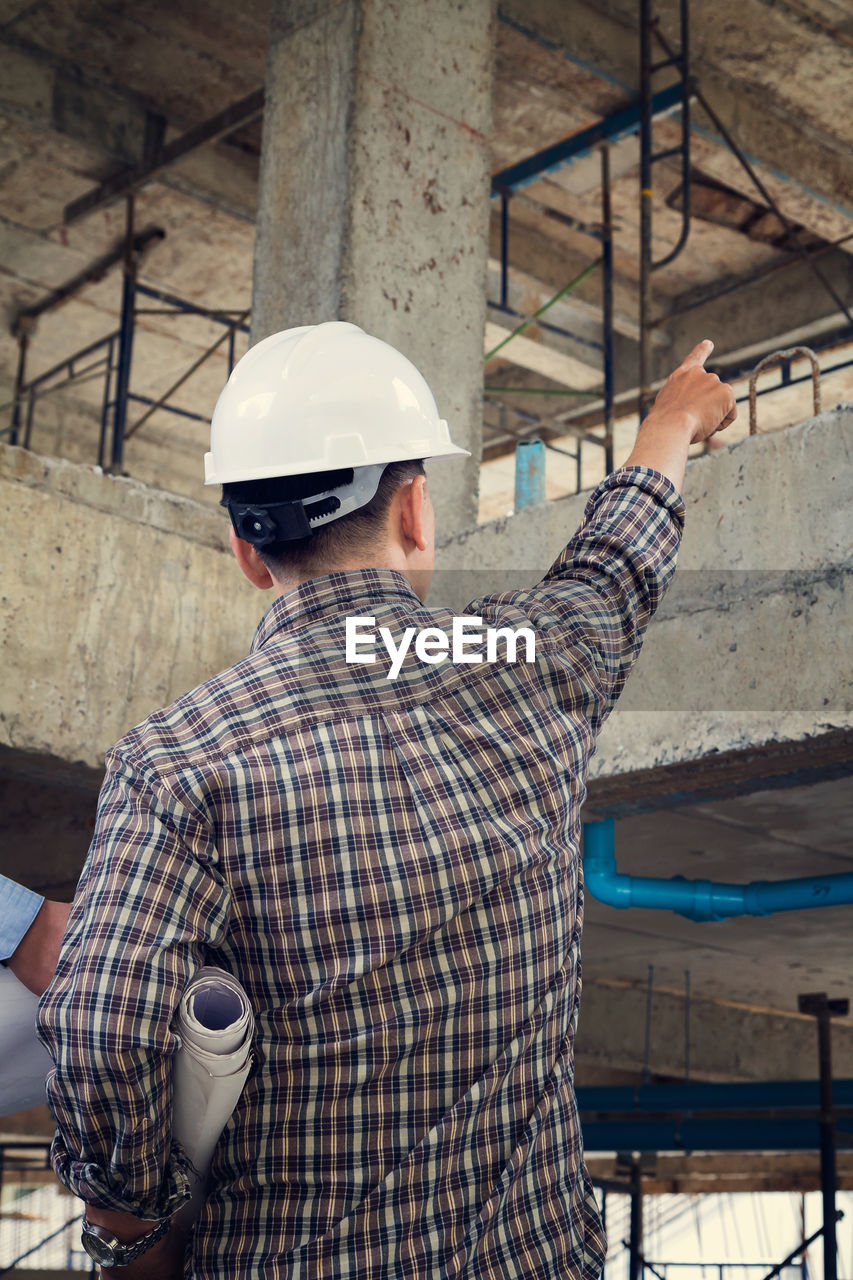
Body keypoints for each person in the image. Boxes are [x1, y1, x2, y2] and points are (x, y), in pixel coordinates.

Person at [36, 322, 736, 1280]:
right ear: (414, 511)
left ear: (247, 550)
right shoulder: (525, 668)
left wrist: (131, 1232)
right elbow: (613, 568)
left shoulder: (176, 761)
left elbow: (103, 1029)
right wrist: (670, 423)